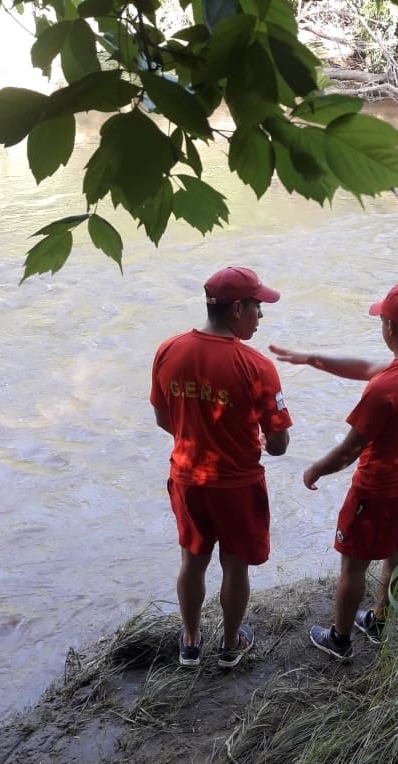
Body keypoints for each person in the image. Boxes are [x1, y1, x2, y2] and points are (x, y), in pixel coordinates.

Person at [270, 283, 398, 661]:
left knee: (353, 564)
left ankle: (339, 638)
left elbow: (351, 449)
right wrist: (310, 357)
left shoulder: (385, 388)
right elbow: (367, 367)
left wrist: (315, 470)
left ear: (389, 327)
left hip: (376, 492)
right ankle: (381, 622)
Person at [150, 266, 292, 669]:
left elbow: (164, 419)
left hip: (187, 479)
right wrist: (261, 441)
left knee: (192, 561)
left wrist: (199, 435)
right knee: (235, 564)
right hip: (237, 484)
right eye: (257, 307)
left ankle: (191, 642)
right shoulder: (257, 366)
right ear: (235, 310)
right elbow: (279, 445)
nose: (260, 317)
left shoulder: (168, 351)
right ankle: (230, 645)